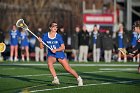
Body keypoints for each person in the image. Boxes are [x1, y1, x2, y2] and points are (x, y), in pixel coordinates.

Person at [38, 22, 83, 86]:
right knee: (49, 63)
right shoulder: (45, 36)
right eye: (54, 26)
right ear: (50, 28)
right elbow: (41, 47)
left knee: (68, 69)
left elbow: (63, 47)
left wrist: (55, 50)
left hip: (59, 53)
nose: (55, 28)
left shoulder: (58, 36)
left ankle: (79, 78)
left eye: (56, 26)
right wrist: (40, 42)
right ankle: (56, 79)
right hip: (51, 54)